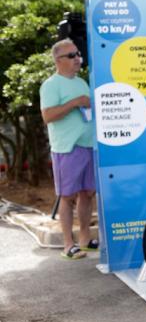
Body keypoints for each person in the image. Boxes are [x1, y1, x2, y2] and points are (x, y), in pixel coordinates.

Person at [39, 39, 96, 260]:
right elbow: (47, 116)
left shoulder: (82, 83)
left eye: (78, 54)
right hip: (67, 148)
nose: (77, 59)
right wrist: (74, 103)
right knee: (67, 196)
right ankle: (68, 245)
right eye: (71, 56)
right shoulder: (51, 85)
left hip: (89, 145)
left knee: (87, 194)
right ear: (58, 60)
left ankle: (84, 239)